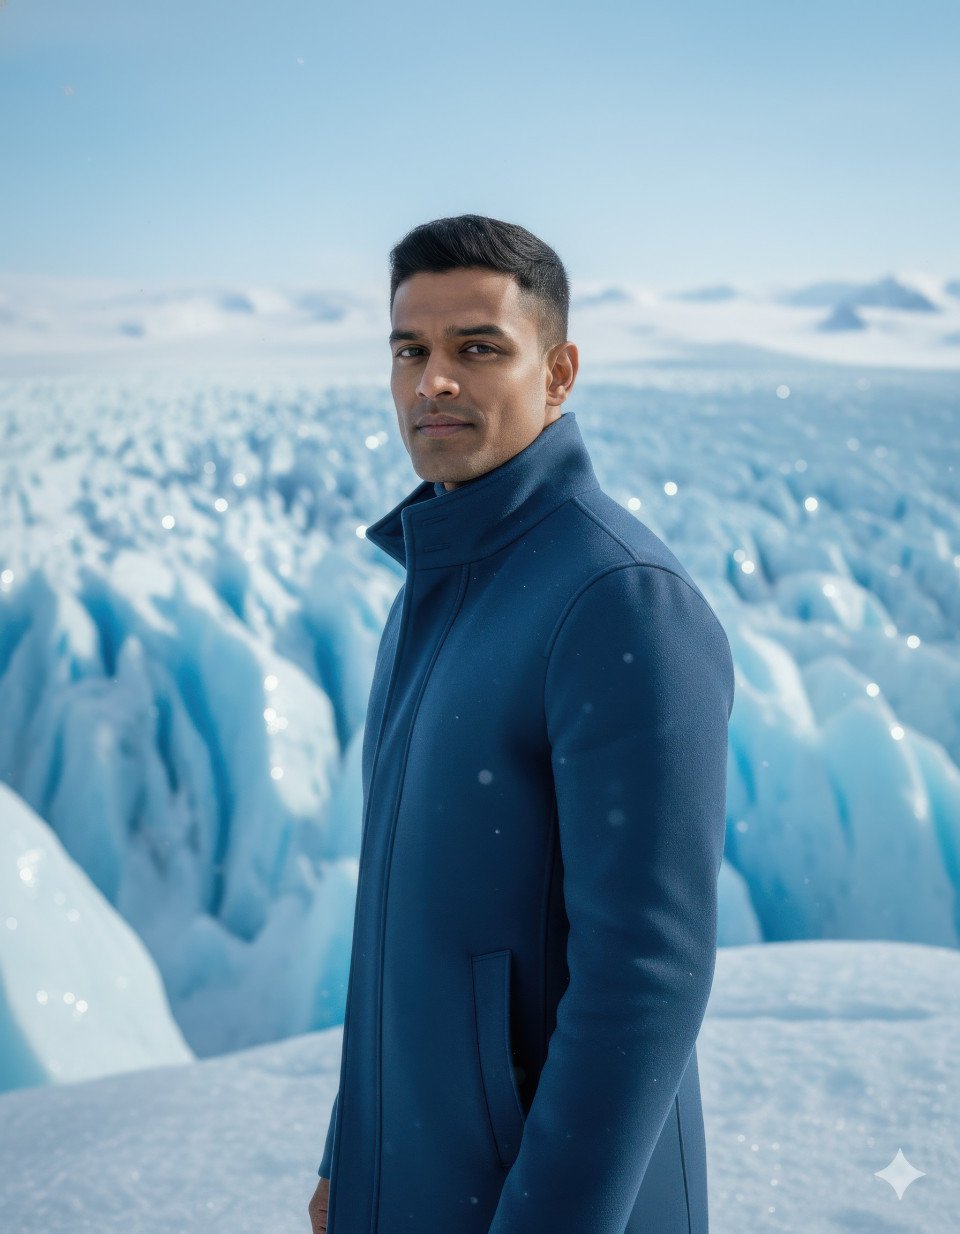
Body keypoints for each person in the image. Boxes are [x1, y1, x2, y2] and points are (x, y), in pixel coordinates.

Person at [308, 214, 734, 1234]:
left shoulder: (618, 598)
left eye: (477, 348)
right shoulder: (438, 583)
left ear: (558, 372)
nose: (433, 381)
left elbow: (646, 976)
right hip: (414, 1180)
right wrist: (349, 1155)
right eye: (410, 350)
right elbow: (402, 930)